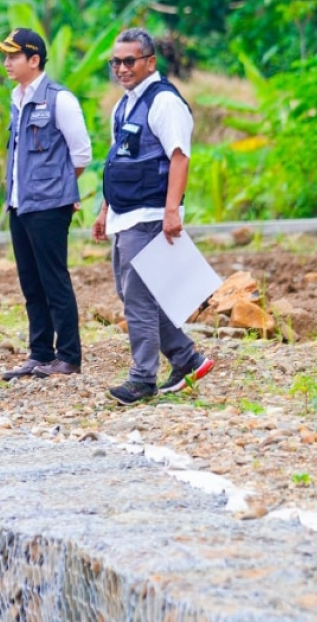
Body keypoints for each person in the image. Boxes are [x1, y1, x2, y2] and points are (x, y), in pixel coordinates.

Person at [93, 28, 214, 406]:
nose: (122, 68)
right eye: (116, 61)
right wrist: (104, 209)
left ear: (149, 61)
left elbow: (180, 155)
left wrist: (171, 211)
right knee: (133, 294)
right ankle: (187, 359)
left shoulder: (164, 103)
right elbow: (118, 161)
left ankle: (143, 378)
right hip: (124, 215)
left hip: (149, 214)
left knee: (138, 301)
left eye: (130, 61)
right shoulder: (125, 105)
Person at [0, 28, 92, 382]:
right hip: (20, 204)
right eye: (5, 56)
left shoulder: (59, 99)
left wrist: (59, 188)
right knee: (30, 282)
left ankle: (68, 356)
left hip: (50, 205)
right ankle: (39, 354)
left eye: (13, 56)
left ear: (34, 60)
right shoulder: (16, 98)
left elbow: (81, 153)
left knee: (54, 279)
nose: (6, 63)